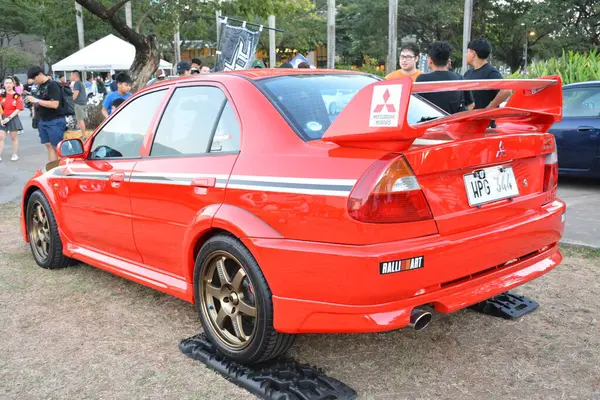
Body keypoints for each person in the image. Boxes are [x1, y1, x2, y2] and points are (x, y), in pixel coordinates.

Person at [415, 41, 474, 115]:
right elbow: (471, 105)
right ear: (448, 61)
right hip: (453, 124)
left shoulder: (422, 80)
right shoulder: (460, 79)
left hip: (429, 124)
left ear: (430, 60)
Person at [25, 66, 66, 163]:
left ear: (40, 74)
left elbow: (55, 104)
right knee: (49, 146)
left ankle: (64, 169)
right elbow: (41, 101)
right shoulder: (40, 86)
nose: (34, 81)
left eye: (34, 79)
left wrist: (36, 100)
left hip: (55, 120)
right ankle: (53, 169)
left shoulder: (53, 85)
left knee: (57, 147)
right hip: (43, 119)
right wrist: (32, 101)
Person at [464, 38, 511, 110]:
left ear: (473, 53)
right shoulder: (468, 73)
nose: (466, 55)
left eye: (467, 52)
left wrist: (489, 108)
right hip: (470, 119)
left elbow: (506, 90)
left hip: (485, 120)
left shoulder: (491, 72)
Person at [0, 77, 24, 161]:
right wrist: (1, 119)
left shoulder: (17, 96)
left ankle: (14, 154)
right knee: (1, 137)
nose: (8, 85)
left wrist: (9, 118)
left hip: (13, 118)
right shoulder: (1, 95)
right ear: (4, 85)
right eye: (6, 83)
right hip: (2, 118)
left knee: (14, 137)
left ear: (13, 84)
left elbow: (18, 109)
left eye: (10, 83)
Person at [70, 70, 87, 136]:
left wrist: (71, 100)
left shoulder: (76, 83)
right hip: (83, 102)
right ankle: (81, 132)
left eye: (71, 75)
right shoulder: (81, 83)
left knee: (80, 119)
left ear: (74, 75)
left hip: (79, 103)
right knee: (80, 119)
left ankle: (84, 135)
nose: (70, 77)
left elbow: (76, 93)